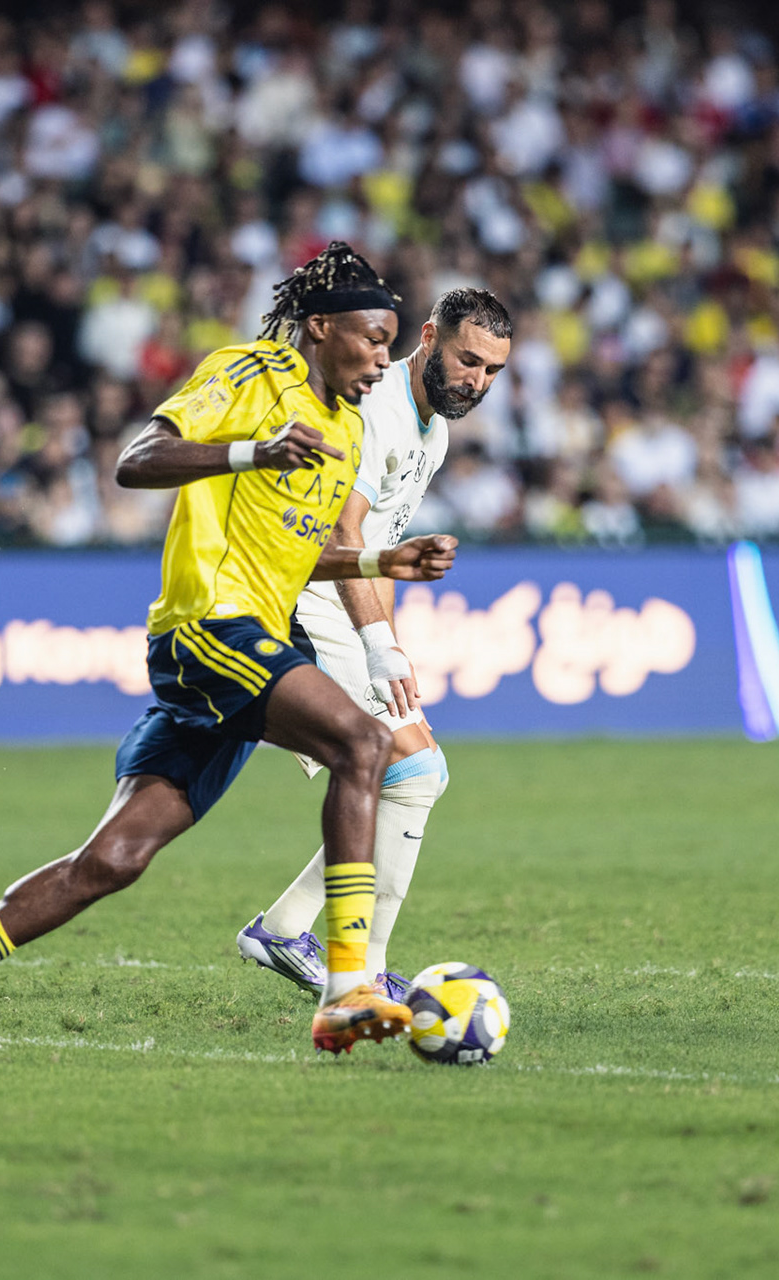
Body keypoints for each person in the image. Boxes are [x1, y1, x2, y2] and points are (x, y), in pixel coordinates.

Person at [0, 243, 460, 1057]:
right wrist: (253, 450)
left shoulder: (342, 430)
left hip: (248, 645)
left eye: (389, 344)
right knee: (368, 744)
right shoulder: (249, 375)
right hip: (209, 632)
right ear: (320, 329)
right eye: (372, 340)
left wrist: (384, 560)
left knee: (111, 861)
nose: (385, 360)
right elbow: (138, 460)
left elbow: (292, 552)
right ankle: (348, 985)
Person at [236, 287, 512, 998]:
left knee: (411, 773)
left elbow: (379, 551)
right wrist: (376, 645)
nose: (475, 381)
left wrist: (389, 644)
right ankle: (359, 969)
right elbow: (341, 535)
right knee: (411, 771)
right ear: (428, 337)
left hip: (336, 603)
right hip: (290, 602)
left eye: (490, 372)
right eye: (467, 360)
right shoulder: (377, 409)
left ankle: (287, 928)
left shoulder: (436, 433)